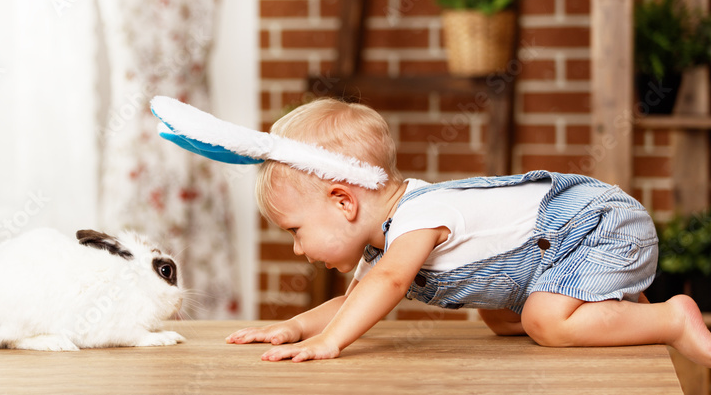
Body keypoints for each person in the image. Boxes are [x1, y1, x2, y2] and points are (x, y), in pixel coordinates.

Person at [224, 98, 711, 366]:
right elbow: (351, 302)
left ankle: (672, 318)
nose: (296, 247)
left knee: (544, 321)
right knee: (500, 320)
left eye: (295, 230)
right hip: (564, 248)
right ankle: (619, 317)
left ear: (344, 201)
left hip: (596, 225)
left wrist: (332, 343)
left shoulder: (418, 216)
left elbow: (389, 284)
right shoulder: (383, 241)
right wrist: (295, 327)